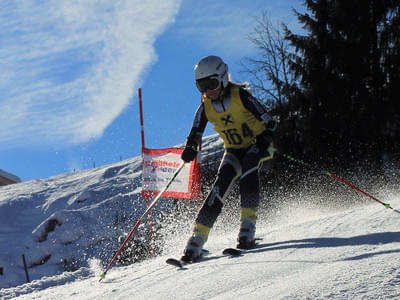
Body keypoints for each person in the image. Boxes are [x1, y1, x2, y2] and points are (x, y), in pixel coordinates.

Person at [180, 55, 277, 262]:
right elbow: (196, 131)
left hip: (257, 146)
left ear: (223, 78)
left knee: (250, 165)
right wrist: (189, 147)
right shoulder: (205, 106)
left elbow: (267, 118)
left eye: (212, 84)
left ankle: (247, 229)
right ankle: (196, 239)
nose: (208, 91)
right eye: (201, 86)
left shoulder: (239, 96)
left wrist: (266, 133)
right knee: (220, 184)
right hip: (233, 150)